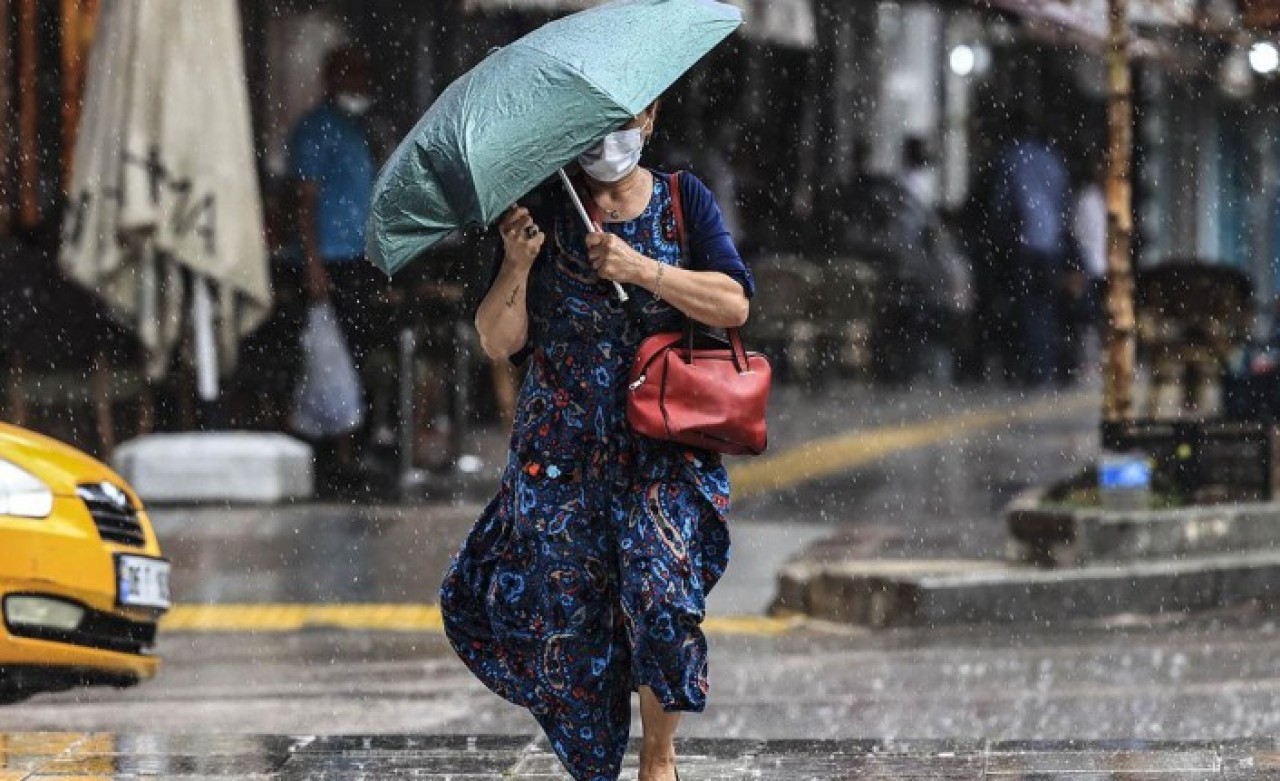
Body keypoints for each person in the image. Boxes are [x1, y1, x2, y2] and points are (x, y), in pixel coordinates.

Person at [440, 101, 753, 781]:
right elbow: (498, 339)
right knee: (574, 626)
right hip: (562, 453)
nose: (609, 138)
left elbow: (733, 304)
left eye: (626, 119)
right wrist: (518, 262)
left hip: (662, 443)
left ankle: (658, 754)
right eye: (593, 124)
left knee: (661, 592)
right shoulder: (548, 207)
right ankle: (594, 764)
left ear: (649, 121)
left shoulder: (681, 198)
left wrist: (641, 269)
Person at [287, 44, 393, 488]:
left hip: (360, 255)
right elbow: (303, 201)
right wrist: (313, 264)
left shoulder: (360, 128)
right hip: (330, 259)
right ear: (332, 80)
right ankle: (335, 456)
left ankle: (358, 445)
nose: (360, 87)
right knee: (333, 357)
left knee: (362, 353)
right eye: (351, 77)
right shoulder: (315, 130)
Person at [988, 120, 1073, 387]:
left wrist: (1000, 234)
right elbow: (1064, 202)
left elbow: (999, 203)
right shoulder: (1053, 160)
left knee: (1024, 305)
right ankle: (1045, 362)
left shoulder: (1012, 158)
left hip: (1024, 242)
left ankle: (1032, 364)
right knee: (1047, 305)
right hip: (1051, 245)